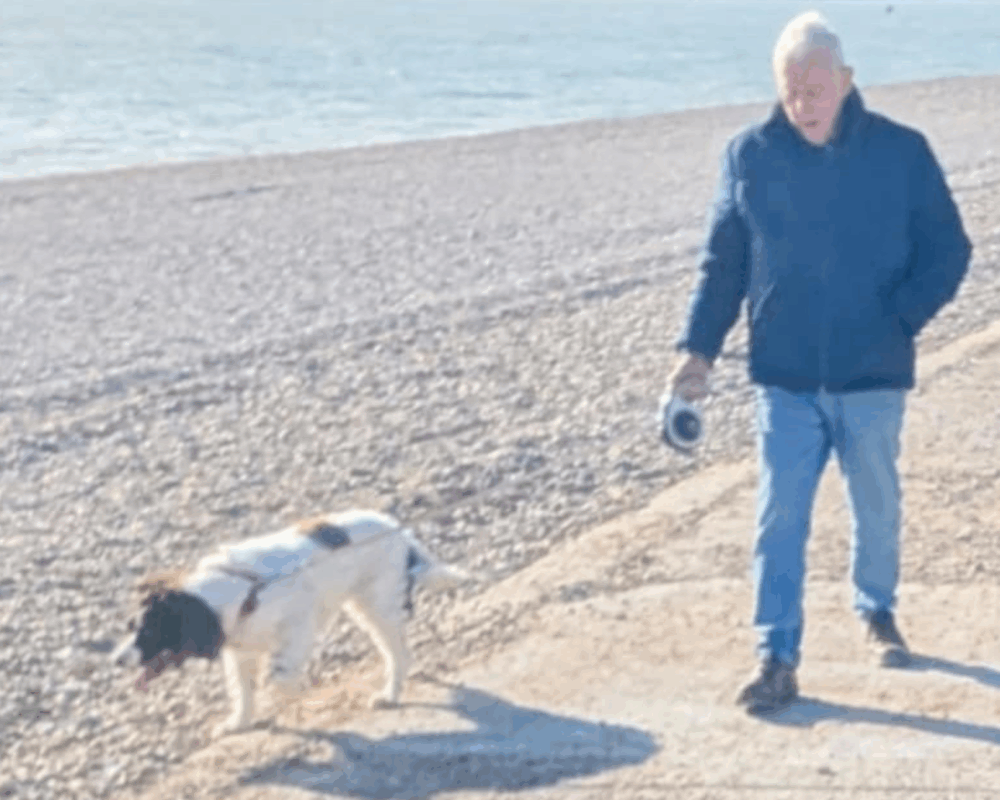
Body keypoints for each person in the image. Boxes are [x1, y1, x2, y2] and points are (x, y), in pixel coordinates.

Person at [669, 11, 972, 714]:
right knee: (779, 518)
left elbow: (949, 250)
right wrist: (697, 352)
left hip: (873, 375)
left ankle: (876, 605)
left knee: (876, 505)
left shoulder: (902, 151)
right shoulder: (749, 155)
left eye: (815, 87)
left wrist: (899, 319)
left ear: (846, 80)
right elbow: (724, 264)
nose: (803, 103)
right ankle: (776, 655)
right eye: (790, 89)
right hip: (786, 374)